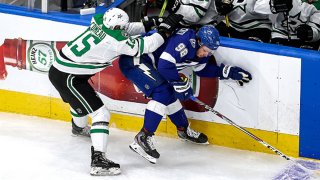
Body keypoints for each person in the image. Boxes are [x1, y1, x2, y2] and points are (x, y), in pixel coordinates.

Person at [48, 7, 182, 176]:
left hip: (61, 71)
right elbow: (147, 45)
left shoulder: (98, 20)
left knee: (80, 101)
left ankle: (78, 128)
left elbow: (124, 29)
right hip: (69, 77)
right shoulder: (115, 41)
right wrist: (164, 31)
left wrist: (148, 24)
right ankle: (98, 160)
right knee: (101, 114)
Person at [118, 25, 252, 164]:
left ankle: (183, 130)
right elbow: (164, 64)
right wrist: (178, 83)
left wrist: (227, 72)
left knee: (168, 92)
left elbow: (202, 69)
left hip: (152, 65)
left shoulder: (203, 51)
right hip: (135, 59)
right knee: (162, 91)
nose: (206, 54)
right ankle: (143, 137)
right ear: (199, 41)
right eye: (206, 50)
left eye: (210, 52)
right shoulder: (185, 40)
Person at [254, 0, 320, 50]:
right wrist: (275, 4)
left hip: (306, 42)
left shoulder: (317, 5)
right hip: (281, 35)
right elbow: (258, 7)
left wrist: (310, 33)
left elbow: (317, 31)